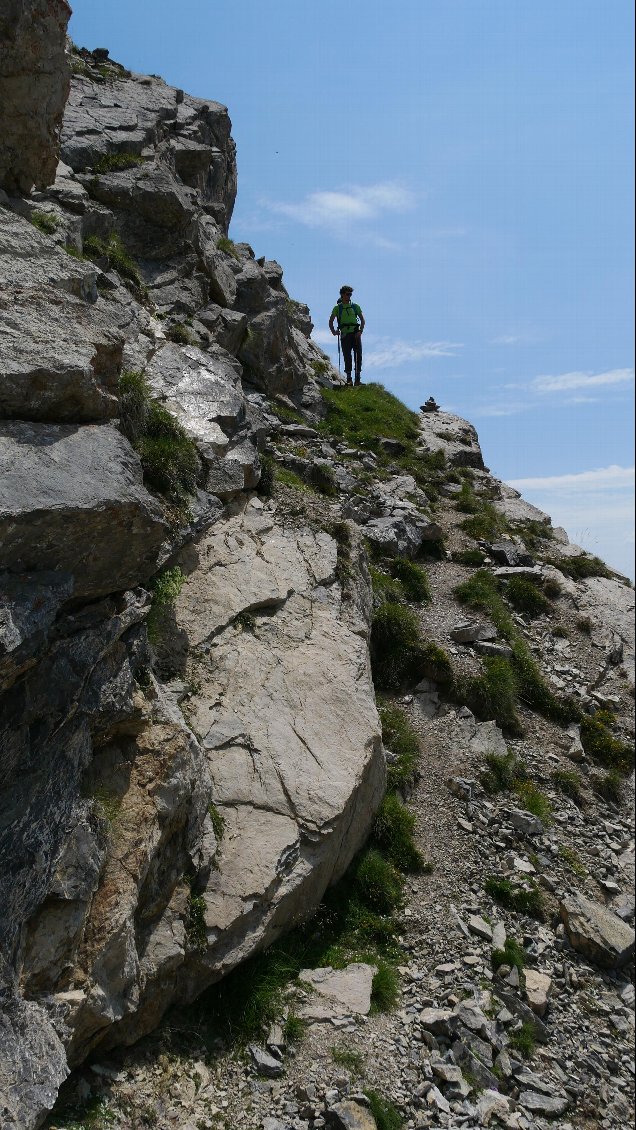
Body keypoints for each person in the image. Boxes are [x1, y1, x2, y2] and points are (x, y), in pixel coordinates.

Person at [329, 285, 365, 386]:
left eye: (350, 294)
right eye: (347, 294)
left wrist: (360, 331)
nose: (349, 296)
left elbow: (362, 320)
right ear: (342, 294)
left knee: (358, 355)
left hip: (355, 333)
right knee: (347, 356)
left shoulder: (355, 306)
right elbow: (330, 321)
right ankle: (349, 379)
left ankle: (357, 379)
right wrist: (334, 332)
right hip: (345, 333)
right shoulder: (337, 308)